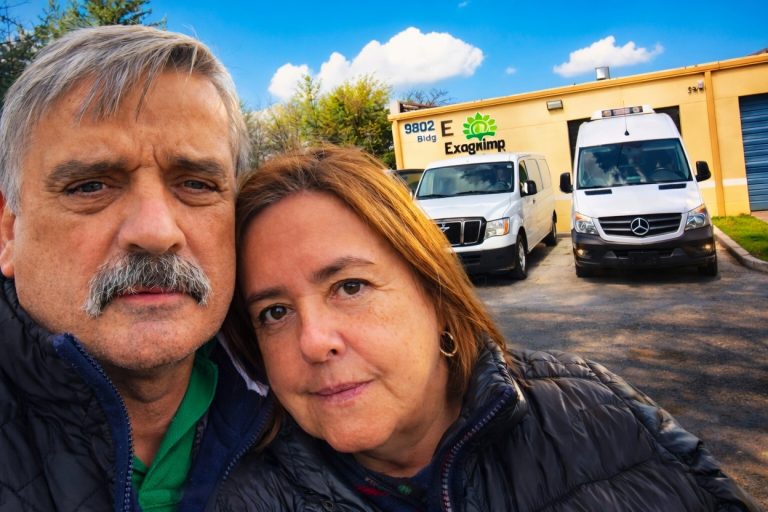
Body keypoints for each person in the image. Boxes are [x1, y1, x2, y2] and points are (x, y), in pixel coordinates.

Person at [218, 145, 759, 511]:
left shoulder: (603, 418)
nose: (314, 342)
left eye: (350, 286)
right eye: (275, 312)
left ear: (434, 291)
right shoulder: (244, 499)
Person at [0, 26, 273, 511]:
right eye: (90, 186)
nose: (156, 232)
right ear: (7, 232)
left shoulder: (311, 408)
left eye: (196, 183)